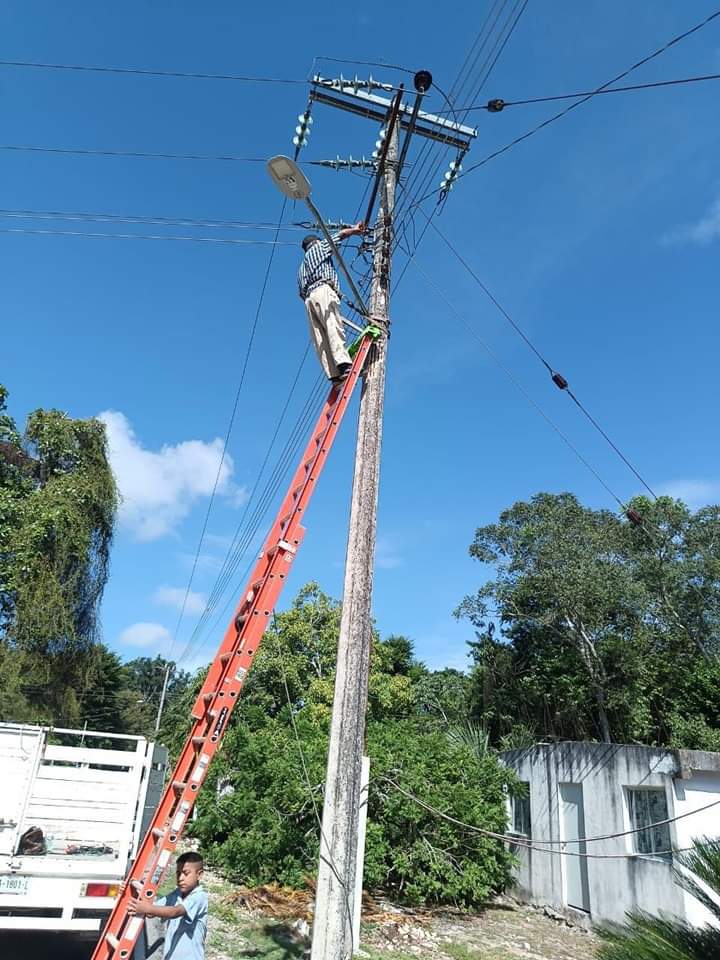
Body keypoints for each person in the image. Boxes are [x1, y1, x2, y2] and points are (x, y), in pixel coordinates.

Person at [298, 222, 366, 384]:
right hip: (323, 290)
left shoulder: (301, 269)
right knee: (332, 325)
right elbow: (340, 235)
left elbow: (300, 292)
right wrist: (355, 230)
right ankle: (344, 365)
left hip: (308, 300)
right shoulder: (319, 248)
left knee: (320, 338)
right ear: (315, 242)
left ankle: (334, 375)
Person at [125, 851, 208, 960]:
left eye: (186, 873)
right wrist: (131, 892)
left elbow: (175, 912)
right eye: (178, 873)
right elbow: (153, 910)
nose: (180, 878)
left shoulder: (199, 897)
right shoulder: (177, 894)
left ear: (199, 874)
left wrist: (148, 908)